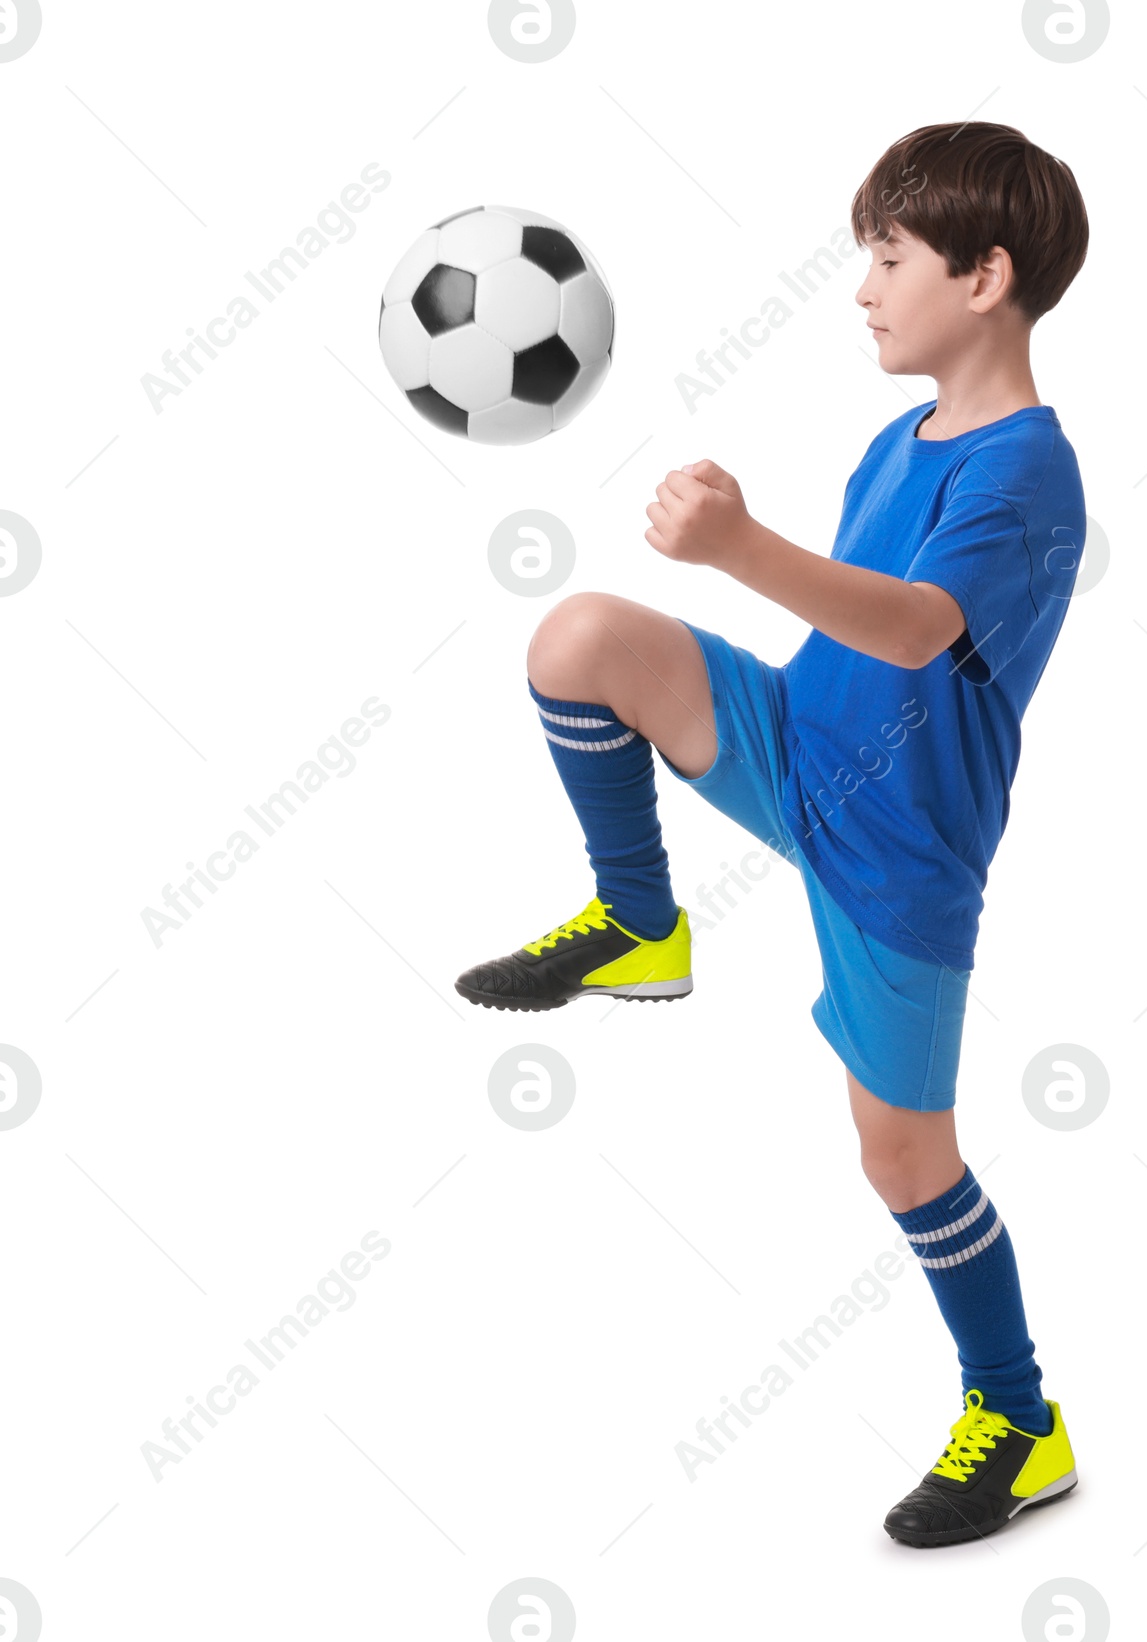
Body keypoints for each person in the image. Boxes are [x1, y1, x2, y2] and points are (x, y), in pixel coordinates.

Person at [456, 120, 1090, 1546]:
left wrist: (742, 548)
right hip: (793, 745)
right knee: (580, 636)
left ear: (984, 277)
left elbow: (922, 633)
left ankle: (1020, 1411)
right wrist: (737, 565)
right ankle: (640, 921)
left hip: (901, 855)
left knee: (903, 1156)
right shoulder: (900, 435)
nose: (864, 284)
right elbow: (855, 627)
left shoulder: (1032, 475)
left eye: (890, 254)